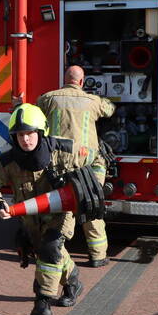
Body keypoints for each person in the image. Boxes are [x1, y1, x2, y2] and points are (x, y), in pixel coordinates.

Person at [0, 103, 90, 315]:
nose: (26, 139)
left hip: (61, 214)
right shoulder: (7, 162)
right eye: (20, 134)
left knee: (51, 246)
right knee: (47, 252)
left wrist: (88, 187)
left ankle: (42, 301)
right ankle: (73, 281)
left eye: (30, 133)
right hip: (31, 219)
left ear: (40, 132)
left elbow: (95, 160)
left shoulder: (65, 150)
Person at [37, 65, 115, 267]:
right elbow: (110, 110)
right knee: (91, 205)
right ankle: (98, 256)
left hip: (58, 165)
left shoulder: (48, 98)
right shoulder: (93, 101)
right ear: (81, 82)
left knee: (64, 208)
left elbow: (35, 112)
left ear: (64, 79)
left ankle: (56, 250)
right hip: (88, 165)